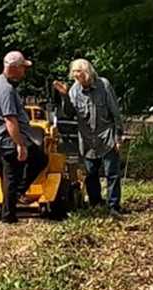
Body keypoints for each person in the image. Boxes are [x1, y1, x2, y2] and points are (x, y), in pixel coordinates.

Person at [53, 58, 124, 216]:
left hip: (106, 136)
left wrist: (119, 136)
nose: (79, 77)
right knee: (91, 175)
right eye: (75, 74)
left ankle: (114, 206)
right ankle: (96, 203)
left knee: (112, 173)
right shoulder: (74, 90)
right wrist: (64, 96)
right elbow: (70, 114)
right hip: (87, 140)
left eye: (81, 73)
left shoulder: (103, 85)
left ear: (89, 72)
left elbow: (115, 112)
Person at [0, 51, 48, 223]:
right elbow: (10, 119)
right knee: (36, 161)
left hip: (4, 137)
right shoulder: (5, 89)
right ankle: (10, 214)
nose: (24, 71)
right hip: (8, 138)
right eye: (23, 68)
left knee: (13, 175)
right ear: (14, 68)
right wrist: (20, 144)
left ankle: (10, 212)